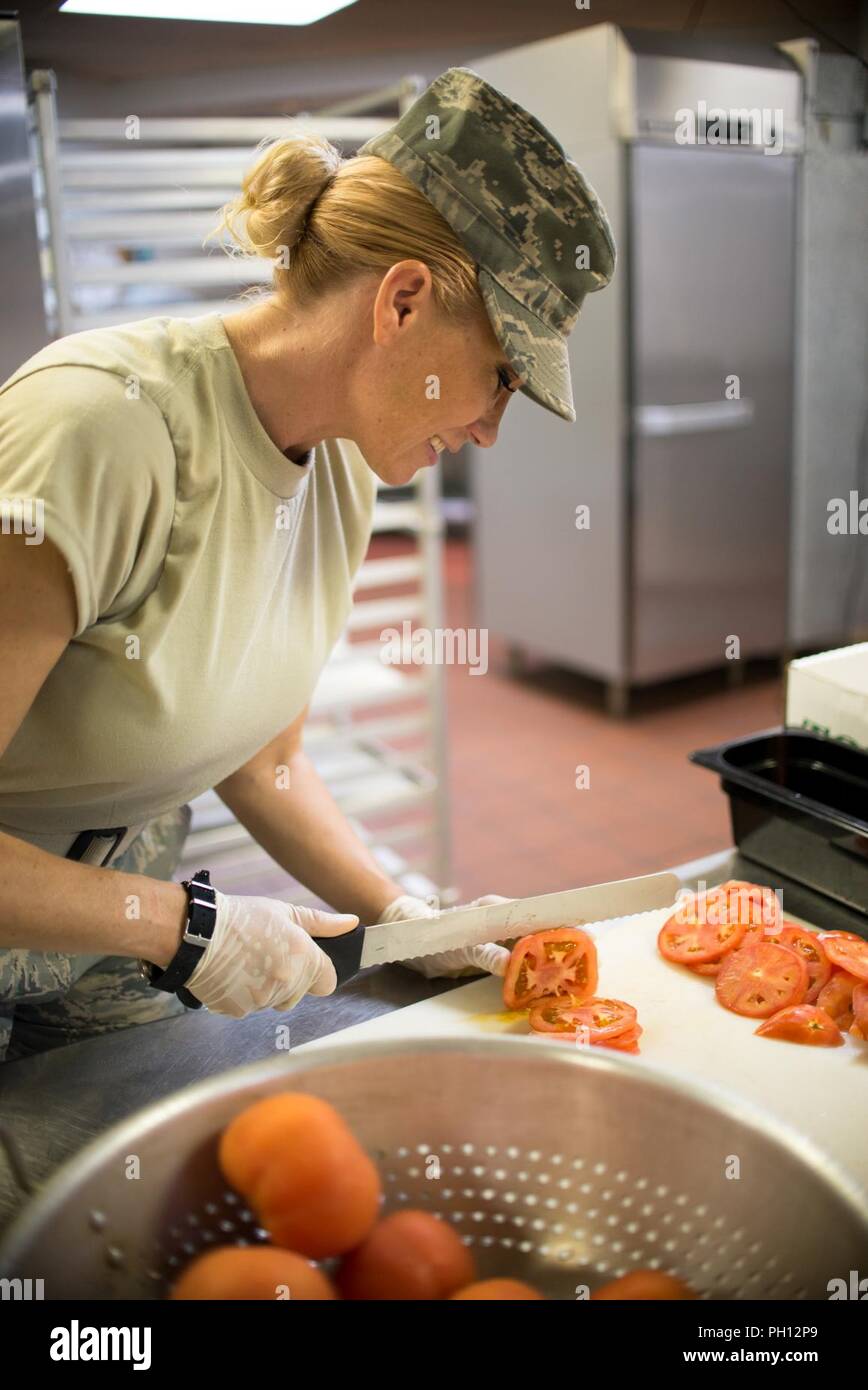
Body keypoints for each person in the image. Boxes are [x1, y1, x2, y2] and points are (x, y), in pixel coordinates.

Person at [0, 67, 615, 1062]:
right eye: (501, 375)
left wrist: (407, 917)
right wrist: (179, 927)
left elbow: (267, 758)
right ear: (403, 302)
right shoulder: (103, 428)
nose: (493, 430)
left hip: (106, 907)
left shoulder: (344, 463)